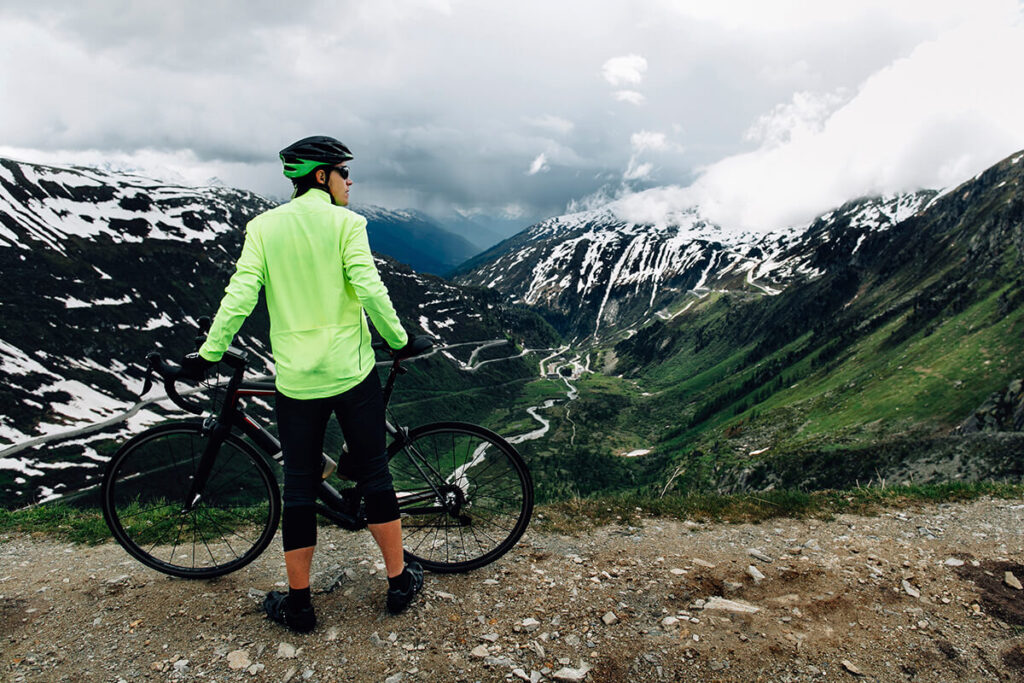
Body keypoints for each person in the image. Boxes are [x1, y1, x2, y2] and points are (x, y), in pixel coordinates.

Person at [181, 135, 423, 633]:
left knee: (298, 487)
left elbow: (240, 295)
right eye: (344, 172)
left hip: (297, 381)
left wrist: (208, 353)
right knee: (375, 476)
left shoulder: (263, 228)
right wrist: (397, 340)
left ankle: (300, 605)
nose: (350, 181)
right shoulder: (347, 224)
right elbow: (368, 287)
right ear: (321, 176)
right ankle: (398, 583)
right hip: (353, 374)